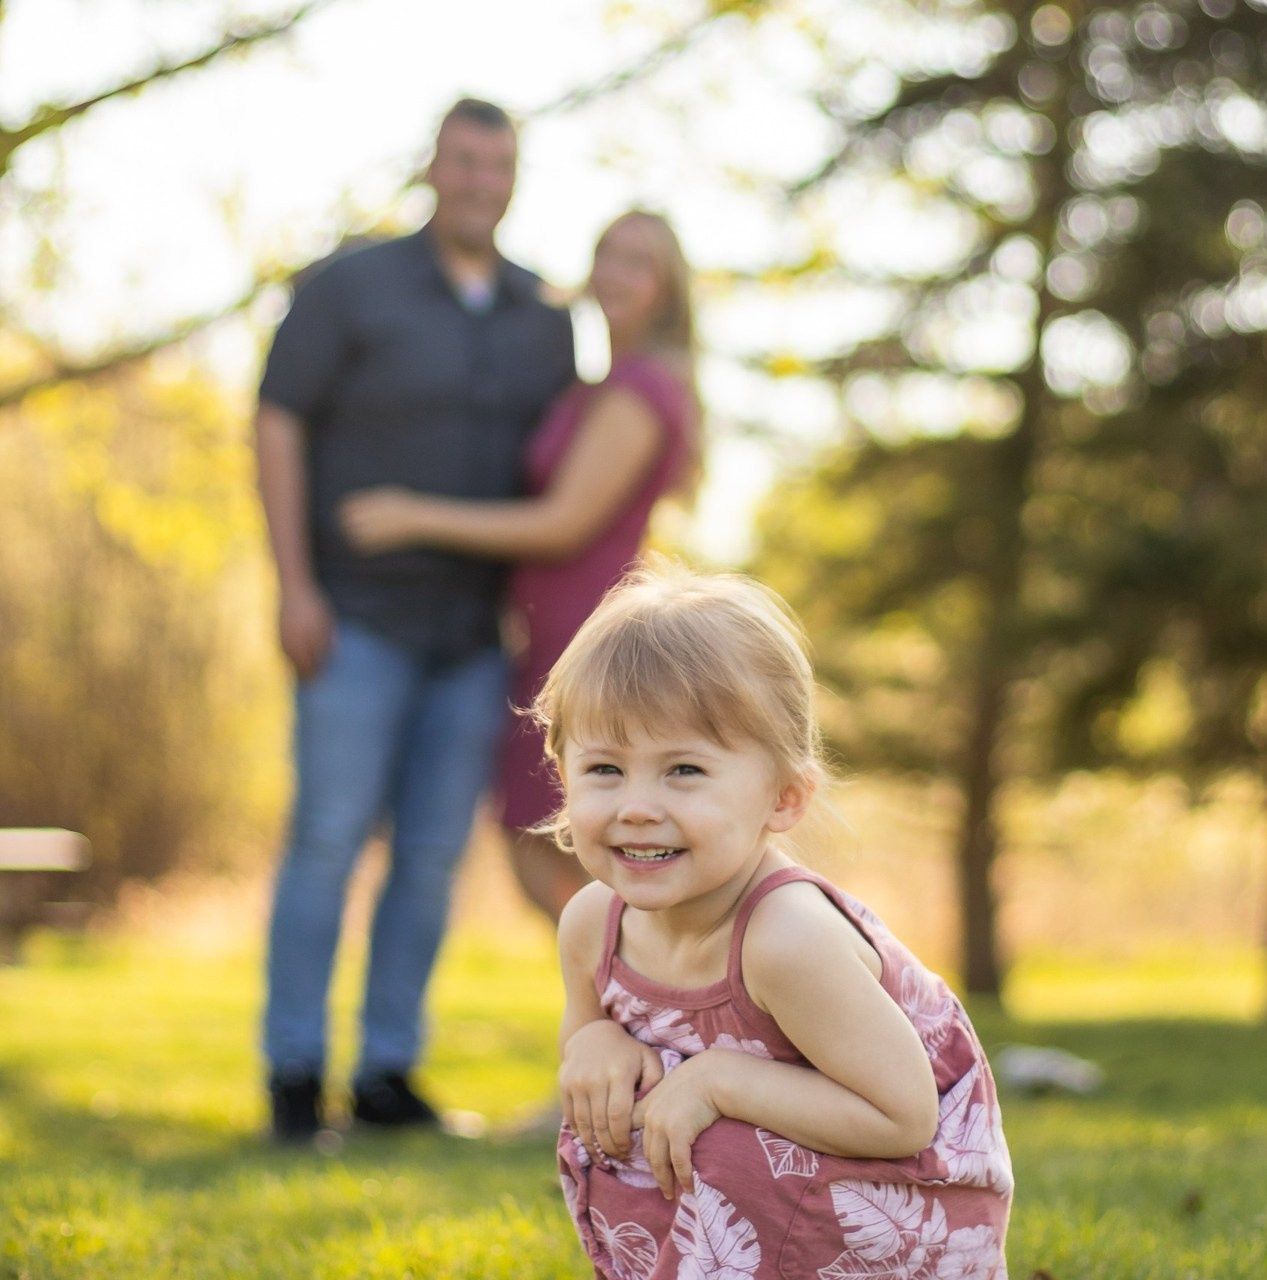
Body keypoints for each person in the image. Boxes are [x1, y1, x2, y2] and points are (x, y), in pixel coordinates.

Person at [535, 561, 1014, 1279]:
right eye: (605, 768)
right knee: (610, 1108)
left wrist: (718, 1079)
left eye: (684, 771)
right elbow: (585, 1039)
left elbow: (905, 1119)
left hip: (902, 1209)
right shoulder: (591, 922)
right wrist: (595, 1042)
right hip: (770, 1198)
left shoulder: (786, 938)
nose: (636, 804)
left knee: (716, 1129)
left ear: (783, 799)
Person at [254, 97, 576, 1142]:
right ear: (435, 168)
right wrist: (294, 583)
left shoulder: (544, 315)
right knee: (328, 840)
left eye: (500, 163)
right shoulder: (351, 286)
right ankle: (294, 1075)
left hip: (474, 641)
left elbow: (565, 467)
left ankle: (387, 1073)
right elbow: (275, 421)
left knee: (432, 856)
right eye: (465, 160)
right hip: (353, 621)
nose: (482, 179)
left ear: (516, 177)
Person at [340, 209, 699, 927]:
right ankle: (635, 1019)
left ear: (666, 288)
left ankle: (646, 1015)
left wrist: (414, 515)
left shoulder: (640, 388)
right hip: (547, 638)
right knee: (549, 846)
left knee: (562, 848)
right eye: (607, 253)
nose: (615, 273)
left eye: (638, 262)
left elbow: (563, 524)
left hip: (584, 642)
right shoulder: (601, 382)